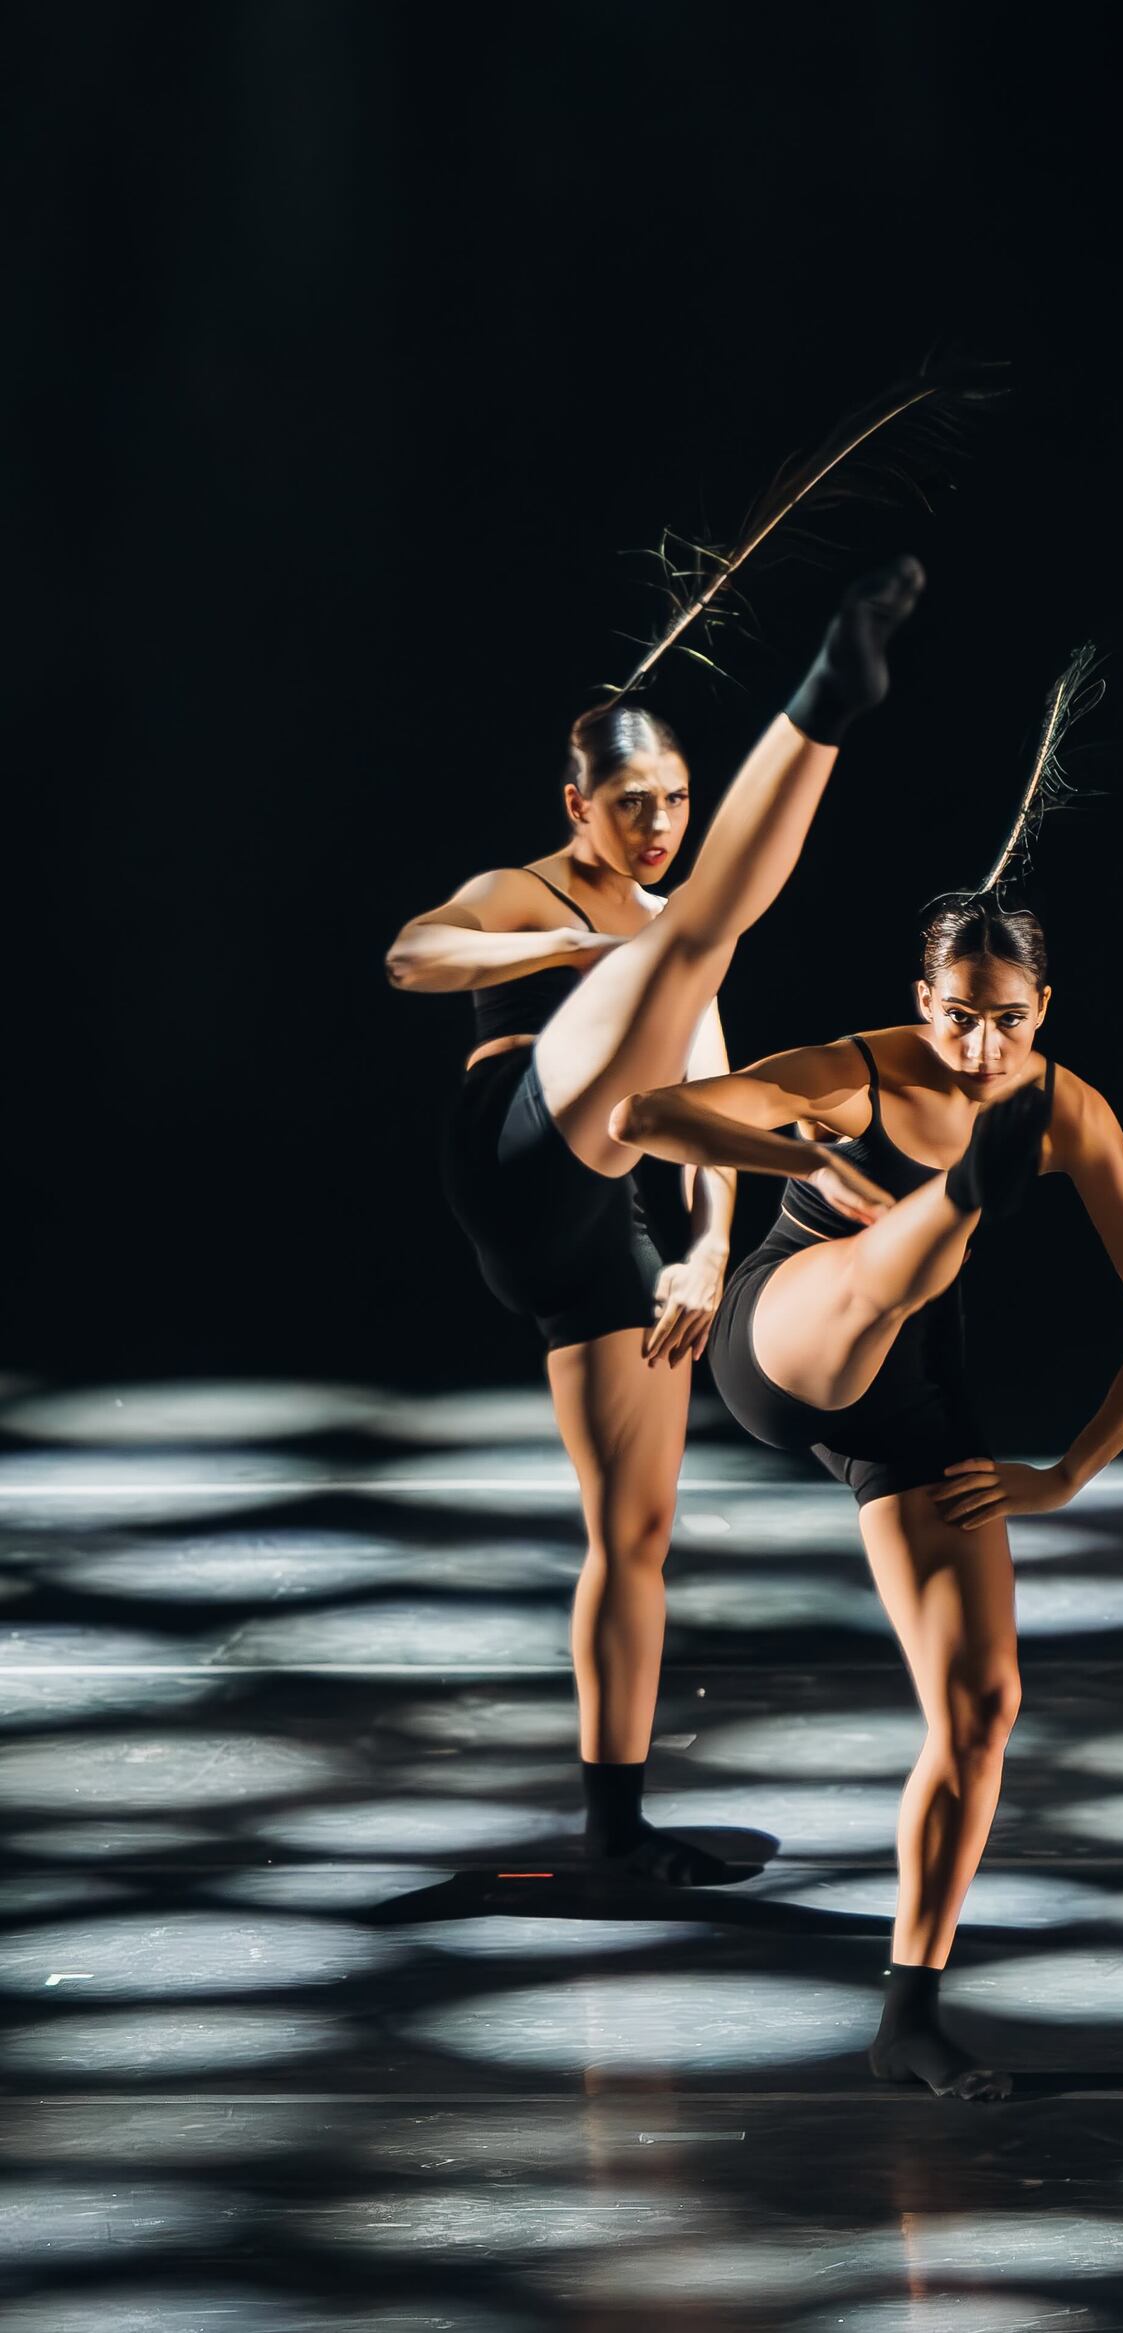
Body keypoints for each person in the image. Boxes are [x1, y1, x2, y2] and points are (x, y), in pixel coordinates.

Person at [629, 869, 1123, 2101]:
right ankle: (947, 1198)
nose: (979, 1041)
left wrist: (1068, 1472)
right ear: (920, 999)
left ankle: (911, 2017)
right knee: (888, 1268)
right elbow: (645, 1116)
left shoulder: (1073, 1109)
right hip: (791, 1332)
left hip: (910, 1398)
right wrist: (804, 1156)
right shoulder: (860, 1069)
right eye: (957, 1013)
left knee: (981, 1709)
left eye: (1006, 1017)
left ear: (1042, 1005)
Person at [387, 563, 926, 1883]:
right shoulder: (527, 889)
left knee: (632, 1533)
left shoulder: (665, 923)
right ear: (577, 806)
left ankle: (616, 1830)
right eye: (634, 806)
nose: (658, 827)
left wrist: (703, 1252)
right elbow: (411, 956)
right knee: (682, 946)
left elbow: (702, 1099)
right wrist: (570, 948)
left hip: (600, 1218)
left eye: (679, 803)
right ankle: (824, 703)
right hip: (512, 1144)